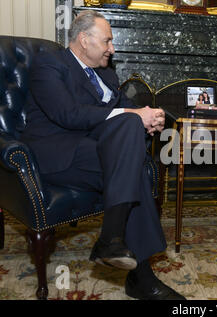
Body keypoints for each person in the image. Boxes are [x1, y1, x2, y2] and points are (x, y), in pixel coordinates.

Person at [20, 10, 185, 300]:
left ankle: (112, 239)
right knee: (131, 162)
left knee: (130, 137)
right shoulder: (50, 64)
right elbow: (67, 114)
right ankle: (140, 277)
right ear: (84, 40)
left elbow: (122, 114)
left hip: (96, 151)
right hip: (57, 153)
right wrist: (135, 115)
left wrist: (150, 121)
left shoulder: (106, 73)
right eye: (107, 41)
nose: (112, 48)